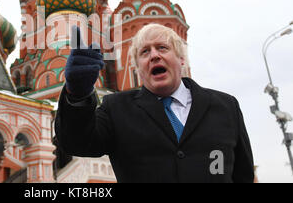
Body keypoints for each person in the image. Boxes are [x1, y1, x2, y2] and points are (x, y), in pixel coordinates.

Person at [55, 23, 254, 183]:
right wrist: (78, 92)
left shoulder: (225, 106)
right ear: (137, 68)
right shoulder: (117, 108)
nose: (154, 55)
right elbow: (77, 143)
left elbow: (243, 174)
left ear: (181, 59)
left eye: (162, 48)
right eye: (144, 52)